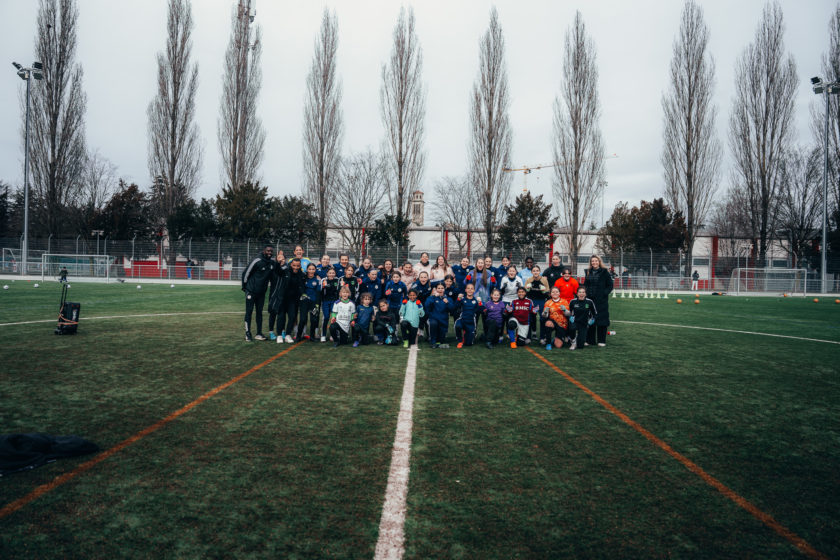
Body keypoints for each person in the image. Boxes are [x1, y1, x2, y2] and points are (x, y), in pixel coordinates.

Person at [269, 253, 306, 344]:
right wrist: (278, 262)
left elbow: (302, 285)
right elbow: (277, 271)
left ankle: (288, 334)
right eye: (294, 265)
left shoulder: (301, 274)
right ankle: (279, 335)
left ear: (300, 265)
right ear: (291, 264)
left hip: (293, 300)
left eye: (298, 266)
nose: (296, 267)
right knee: (281, 317)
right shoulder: (285, 270)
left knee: (292, 317)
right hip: (282, 299)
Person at [241, 244, 275, 342]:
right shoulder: (257, 260)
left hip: (261, 293)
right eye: (268, 251)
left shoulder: (271, 263)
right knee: (249, 312)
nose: (269, 253)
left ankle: (259, 333)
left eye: (271, 251)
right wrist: (245, 287)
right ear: (264, 250)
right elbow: (246, 273)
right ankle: (248, 333)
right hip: (251, 291)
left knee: (259, 313)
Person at [583, 255, 613, 347]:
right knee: (590, 319)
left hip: (601, 301)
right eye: (592, 261)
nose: (594, 263)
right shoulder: (588, 272)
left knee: (602, 320)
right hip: (590, 300)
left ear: (599, 262)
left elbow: (610, 285)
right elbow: (585, 285)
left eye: (596, 261)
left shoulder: (605, 272)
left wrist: (604, 294)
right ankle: (590, 340)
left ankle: (601, 340)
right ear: (591, 262)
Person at [296, 263, 321, 342]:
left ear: (315, 270)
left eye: (313, 269)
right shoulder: (303, 278)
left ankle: (312, 337)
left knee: (313, 320)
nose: (311, 271)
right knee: (303, 319)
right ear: (307, 270)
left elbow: (318, 293)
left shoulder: (317, 280)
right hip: (304, 302)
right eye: (309, 269)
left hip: (313, 303)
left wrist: (317, 305)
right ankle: (298, 336)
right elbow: (300, 288)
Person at [424, 283, 454, 348]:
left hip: (443, 320)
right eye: (439, 288)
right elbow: (427, 305)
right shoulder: (432, 297)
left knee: (441, 340)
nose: (440, 290)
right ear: (436, 289)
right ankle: (432, 341)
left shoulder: (448, 298)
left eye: (442, 288)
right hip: (433, 319)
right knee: (433, 324)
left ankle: (438, 340)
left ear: (445, 289)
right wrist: (433, 297)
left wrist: (447, 303)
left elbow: (452, 309)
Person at [525, 265, 550, 341]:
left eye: (537, 271)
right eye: (534, 271)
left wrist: (544, 290)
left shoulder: (544, 280)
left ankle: (542, 337)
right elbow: (525, 290)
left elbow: (548, 291)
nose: (535, 272)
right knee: (530, 318)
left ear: (539, 272)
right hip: (531, 301)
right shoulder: (529, 280)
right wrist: (528, 289)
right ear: (532, 272)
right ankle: (528, 337)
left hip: (541, 301)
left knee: (542, 318)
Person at [568, 286, 597, 350]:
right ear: (577, 293)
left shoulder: (589, 302)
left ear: (585, 294)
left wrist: (592, 320)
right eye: (580, 292)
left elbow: (594, 313)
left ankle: (578, 339)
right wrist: (570, 317)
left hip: (584, 323)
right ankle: (573, 341)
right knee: (572, 328)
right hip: (574, 322)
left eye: (583, 292)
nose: (581, 294)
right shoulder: (573, 301)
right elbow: (568, 312)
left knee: (580, 346)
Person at [455, 283, 482, 348]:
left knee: (468, 344)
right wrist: (458, 299)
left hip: (470, 322)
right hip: (462, 320)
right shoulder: (462, 299)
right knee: (458, 326)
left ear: (474, 290)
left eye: (471, 289)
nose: (470, 290)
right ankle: (460, 340)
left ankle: (469, 333)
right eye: (468, 288)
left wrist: (480, 303)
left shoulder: (475, 300)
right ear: (465, 290)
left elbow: (479, 311)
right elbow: (456, 306)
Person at [320, 267, 341, 342]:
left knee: (334, 318)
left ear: (335, 274)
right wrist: (324, 287)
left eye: (333, 273)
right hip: (325, 301)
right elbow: (321, 292)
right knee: (325, 318)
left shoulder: (337, 280)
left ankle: (334, 334)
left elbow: (339, 291)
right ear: (327, 273)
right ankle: (323, 335)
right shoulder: (324, 280)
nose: (331, 274)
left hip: (334, 302)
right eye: (330, 273)